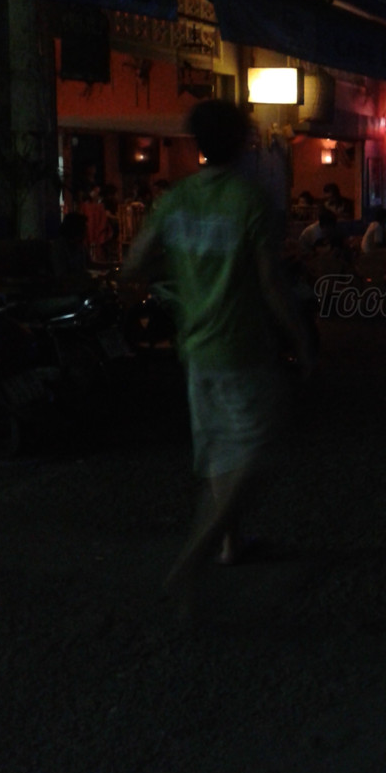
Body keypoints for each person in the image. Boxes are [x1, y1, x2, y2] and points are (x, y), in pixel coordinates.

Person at [121, 99, 314, 609]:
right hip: (243, 348)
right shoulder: (249, 200)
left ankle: (230, 544)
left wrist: (180, 270)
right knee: (257, 452)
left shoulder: (176, 200)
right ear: (243, 143)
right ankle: (193, 559)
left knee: (218, 453)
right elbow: (271, 283)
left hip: (195, 349)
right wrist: (300, 339)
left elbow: (134, 265)